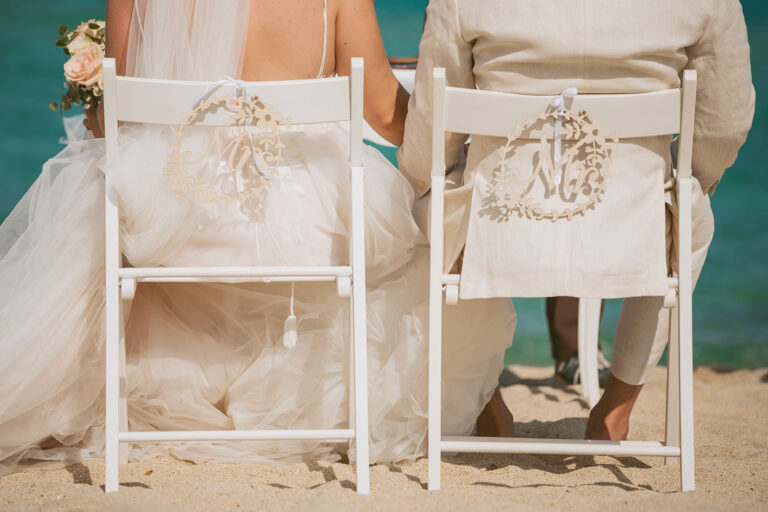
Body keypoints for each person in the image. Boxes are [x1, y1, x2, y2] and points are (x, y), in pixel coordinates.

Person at [0, 0, 516, 475]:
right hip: (306, 227)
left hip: (176, 224)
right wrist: (451, 141)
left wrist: (96, 110)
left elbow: (119, 114)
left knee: (104, 190)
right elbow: (383, 111)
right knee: (424, 236)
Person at [398, 0, 754, 440]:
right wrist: (680, 177)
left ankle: (487, 402)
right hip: (635, 223)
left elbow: (434, 126)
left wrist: (429, 179)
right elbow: (724, 126)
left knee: (430, 200)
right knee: (690, 213)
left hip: (499, 224)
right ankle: (615, 408)